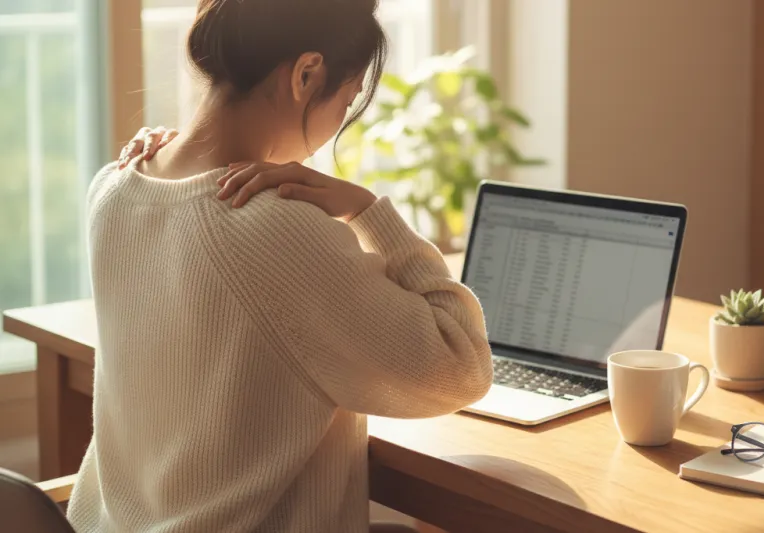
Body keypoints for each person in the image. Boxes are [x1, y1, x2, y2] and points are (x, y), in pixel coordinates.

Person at [67, 1, 493, 532]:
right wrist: (369, 211)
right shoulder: (278, 230)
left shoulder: (113, 187)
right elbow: (462, 366)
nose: (338, 123)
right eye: (348, 98)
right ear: (306, 74)